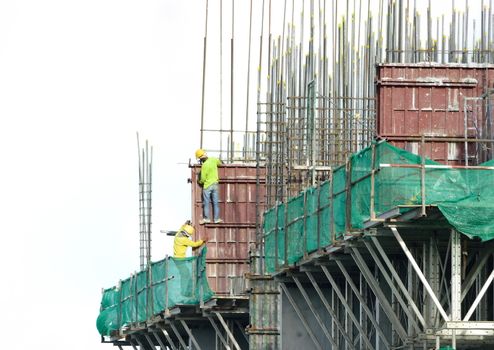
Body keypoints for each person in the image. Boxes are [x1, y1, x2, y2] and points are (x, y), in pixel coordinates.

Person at [195, 149, 223, 224]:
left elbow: (203, 179)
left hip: (207, 186)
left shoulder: (204, 165)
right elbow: (220, 163)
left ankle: (207, 219)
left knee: (206, 202)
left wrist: (199, 181)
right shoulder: (213, 159)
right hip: (215, 184)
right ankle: (216, 219)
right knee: (215, 203)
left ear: (200, 158)